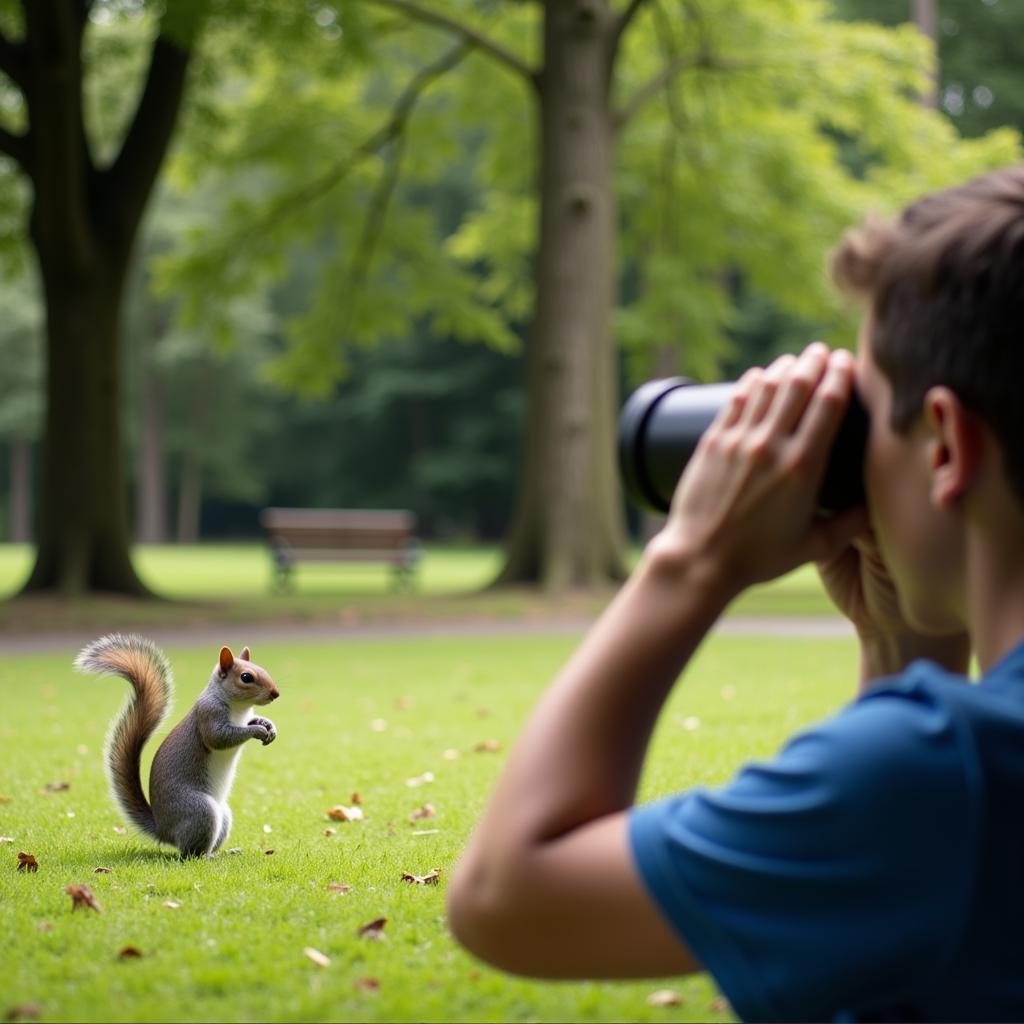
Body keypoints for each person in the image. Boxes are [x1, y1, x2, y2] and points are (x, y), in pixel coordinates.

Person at [446, 165, 1024, 1022]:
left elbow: (505, 896)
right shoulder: (956, 776)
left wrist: (689, 562)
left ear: (944, 445)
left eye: (865, 423)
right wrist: (899, 649)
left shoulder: (946, 778)